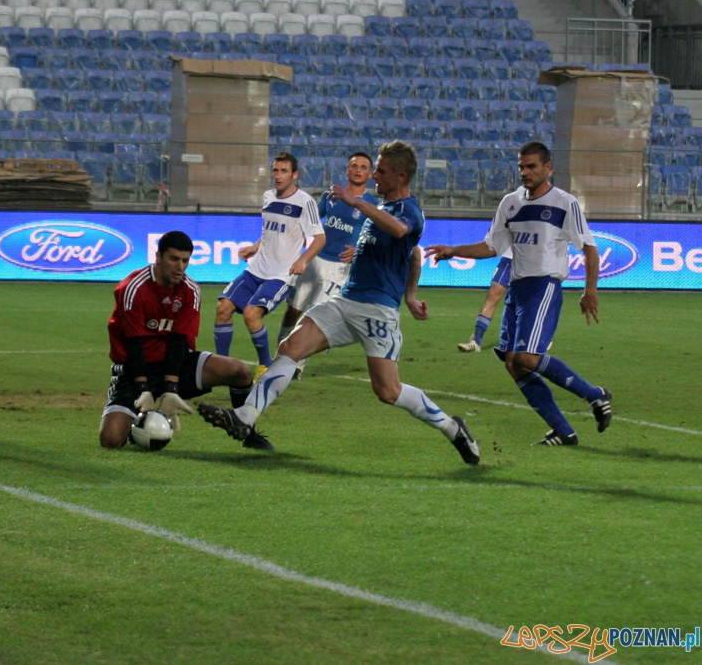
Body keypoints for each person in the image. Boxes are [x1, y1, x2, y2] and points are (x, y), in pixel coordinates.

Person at [197, 140, 481, 465]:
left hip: (378, 311)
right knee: (290, 348)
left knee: (388, 391)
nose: (374, 174)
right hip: (345, 301)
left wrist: (357, 204)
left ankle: (452, 428)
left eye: (381, 170)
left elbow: (404, 234)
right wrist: (412, 295)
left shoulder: (408, 211)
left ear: (401, 176)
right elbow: (413, 255)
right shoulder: (383, 209)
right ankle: (245, 417)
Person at [424, 141, 612, 446]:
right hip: (517, 288)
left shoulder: (565, 203)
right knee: (513, 363)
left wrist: (590, 291)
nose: (524, 172)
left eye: (531, 166)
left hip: (544, 286)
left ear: (548, 168)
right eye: (521, 166)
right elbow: (492, 246)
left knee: (526, 356)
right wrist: (453, 250)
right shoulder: (510, 203)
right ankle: (564, 431)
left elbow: (589, 248)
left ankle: (595, 395)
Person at [100, 230, 253, 449]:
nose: (180, 267)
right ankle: (139, 427)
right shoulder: (133, 288)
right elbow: (134, 343)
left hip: (177, 364)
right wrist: (143, 387)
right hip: (133, 369)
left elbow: (179, 341)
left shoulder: (190, 291)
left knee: (240, 371)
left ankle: (247, 428)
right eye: (174, 259)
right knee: (110, 440)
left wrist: (171, 389)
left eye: (185, 260)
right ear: (158, 257)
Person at [213, 152, 325, 385]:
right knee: (223, 308)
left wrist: (303, 260)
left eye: (284, 171)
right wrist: (254, 247)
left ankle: (265, 366)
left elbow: (320, 238)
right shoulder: (268, 197)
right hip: (257, 269)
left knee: (251, 314)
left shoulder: (305, 202)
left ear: (295, 175)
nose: (278, 175)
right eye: (275, 170)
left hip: (282, 274)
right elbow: (269, 230)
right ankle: (220, 366)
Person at [277, 151, 379, 376]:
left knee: (313, 316)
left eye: (363, 167)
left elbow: (378, 236)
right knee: (293, 311)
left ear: (370, 174)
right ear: (347, 170)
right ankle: (280, 354)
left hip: (339, 268)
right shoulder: (332, 195)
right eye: (354, 166)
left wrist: (359, 248)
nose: (358, 170)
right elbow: (310, 220)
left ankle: (295, 366)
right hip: (314, 261)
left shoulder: (372, 205)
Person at [457, 247, 513, 353]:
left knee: (527, 299)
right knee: (493, 294)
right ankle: (476, 342)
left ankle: (541, 335)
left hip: (532, 260)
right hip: (510, 257)